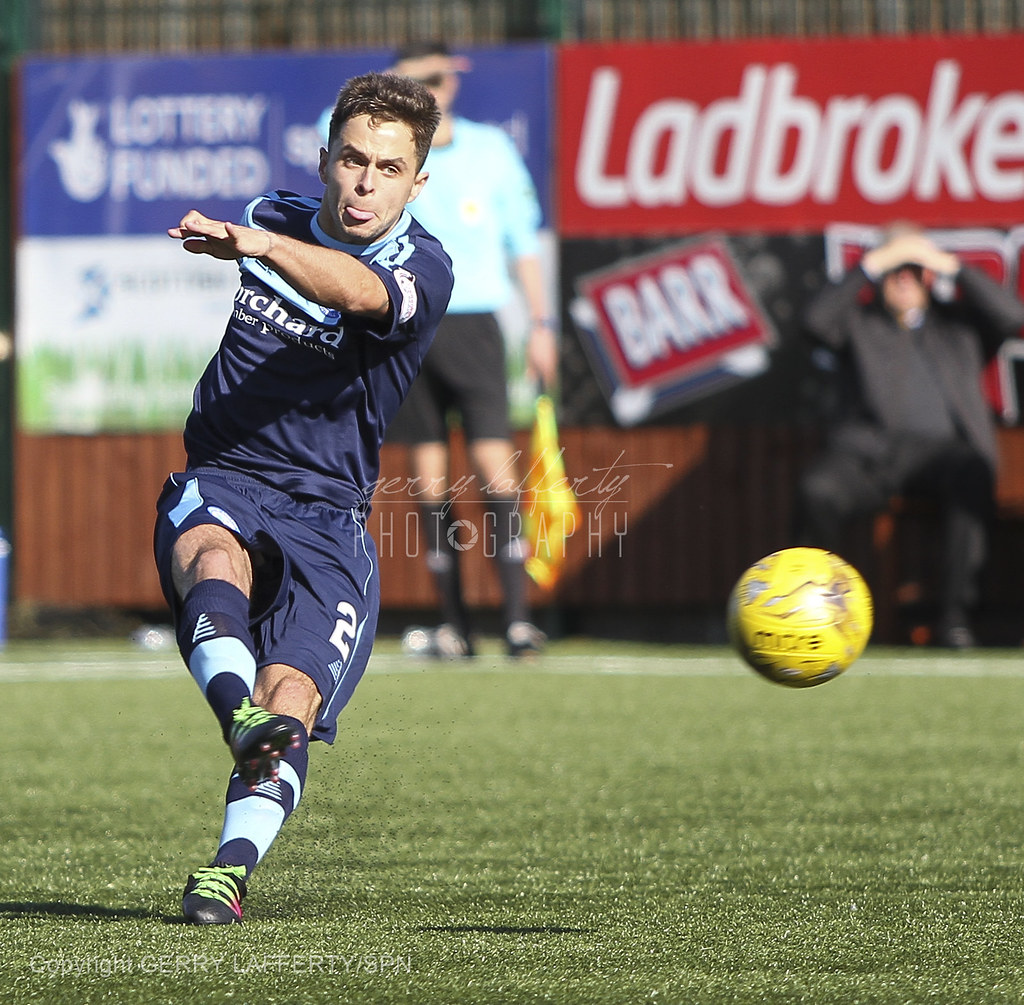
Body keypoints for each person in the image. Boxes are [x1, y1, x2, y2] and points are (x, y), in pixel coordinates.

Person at [154, 71, 452, 924]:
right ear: (324, 159)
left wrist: (258, 247)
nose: (366, 183)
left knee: (297, 697)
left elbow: (355, 290)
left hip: (330, 519)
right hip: (228, 474)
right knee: (212, 553)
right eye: (353, 160)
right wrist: (263, 237)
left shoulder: (422, 267)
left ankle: (228, 869)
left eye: (389, 169)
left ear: (416, 181)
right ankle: (236, 715)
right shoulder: (275, 213)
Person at [386, 41, 560, 660]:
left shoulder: (490, 150)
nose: (428, 89)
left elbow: (524, 242)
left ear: (454, 80)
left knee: (494, 464)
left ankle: (517, 621)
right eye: (412, 81)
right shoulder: (390, 154)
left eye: (435, 77)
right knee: (427, 475)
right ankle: (456, 627)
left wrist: (542, 323)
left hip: (475, 322)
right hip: (406, 321)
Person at [796, 225, 1024, 649]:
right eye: (894, 269)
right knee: (817, 490)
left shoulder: (957, 326)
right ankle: (810, 612)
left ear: (929, 275)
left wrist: (951, 265)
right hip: (868, 456)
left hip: (941, 456)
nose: (904, 278)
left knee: (974, 473)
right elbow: (813, 321)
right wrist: (871, 264)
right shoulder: (858, 324)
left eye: (913, 270)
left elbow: (1013, 317)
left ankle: (956, 620)